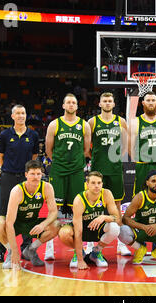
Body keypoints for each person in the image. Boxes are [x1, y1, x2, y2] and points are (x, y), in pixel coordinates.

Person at [45, 93, 91, 260]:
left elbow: (87, 150)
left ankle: (80, 247)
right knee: (53, 210)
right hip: (58, 171)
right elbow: (48, 150)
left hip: (77, 172)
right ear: (63, 106)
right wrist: (60, 163)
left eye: (74, 103)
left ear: (77, 106)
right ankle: (49, 247)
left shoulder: (84, 125)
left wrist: (75, 164)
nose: (71, 105)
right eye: (68, 103)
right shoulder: (54, 124)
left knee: (78, 209)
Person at [0, 160, 60, 269]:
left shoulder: (47, 187)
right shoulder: (17, 191)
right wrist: (14, 251)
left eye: (38, 174)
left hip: (32, 223)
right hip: (16, 224)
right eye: (32, 174)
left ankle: (31, 250)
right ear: (26, 175)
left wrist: (43, 225)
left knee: (55, 225)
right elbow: (9, 223)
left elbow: (53, 212)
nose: (36, 177)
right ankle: (9, 252)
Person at [0, 104, 39, 263]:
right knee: (3, 212)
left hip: (26, 178)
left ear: (26, 115)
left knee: (28, 212)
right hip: (8, 177)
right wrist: (6, 168)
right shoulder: (5, 135)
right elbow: (0, 155)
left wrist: (27, 173)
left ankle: (26, 248)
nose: (21, 116)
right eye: (18, 113)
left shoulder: (32, 135)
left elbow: (34, 156)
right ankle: (0, 250)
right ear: (12, 116)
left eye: (23, 113)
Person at [88, 92, 131, 256]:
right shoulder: (92, 122)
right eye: (104, 101)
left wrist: (115, 159)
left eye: (110, 101)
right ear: (99, 104)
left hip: (114, 170)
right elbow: (87, 146)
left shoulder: (121, 122)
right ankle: (90, 244)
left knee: (117, 207)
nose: (107, 103)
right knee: (92, 206)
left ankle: (121, 244)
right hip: (97, 171)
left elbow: (125, 146)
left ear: (114, 104)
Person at [58, 171, 122, 269]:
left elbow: (117, 218)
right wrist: (80, 261)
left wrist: (104, 217)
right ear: (87, 184)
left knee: (115, 227)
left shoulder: (106, 194)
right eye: (93, 183)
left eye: (99, 183)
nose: (96, 186)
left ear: (102, 184)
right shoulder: (79, 200)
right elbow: (78, 231)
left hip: (97, 228)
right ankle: (79, 253)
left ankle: (96, 252)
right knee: (64, 233)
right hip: (82, 229)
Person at [129, 91, 156, 196]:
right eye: (148, 100)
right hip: (143, 165)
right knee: (140, 195)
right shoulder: (135, 122)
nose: (151, 103)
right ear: (143, 103)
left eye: (153, 100)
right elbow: (130, 146)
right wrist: (137, 162)